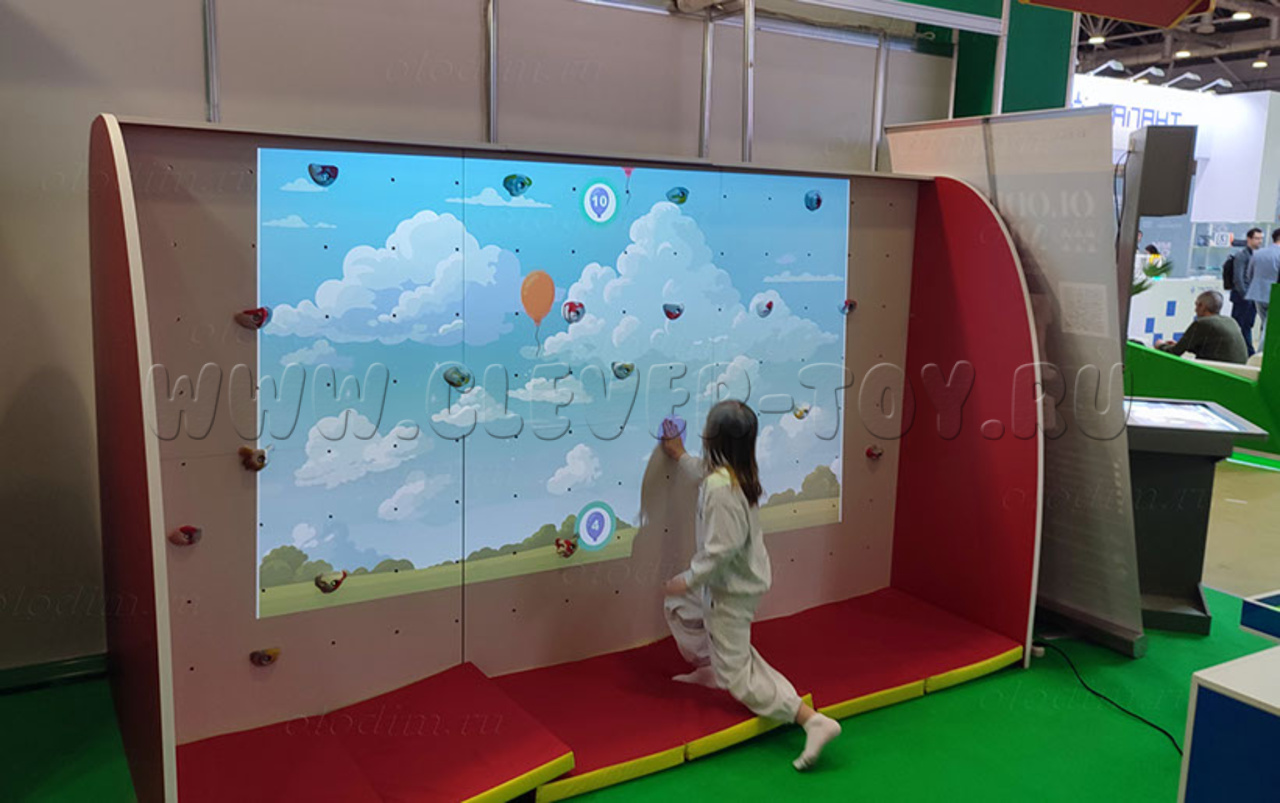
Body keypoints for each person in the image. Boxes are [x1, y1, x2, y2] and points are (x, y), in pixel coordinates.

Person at [660, 401, 841, 771]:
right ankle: (712, 665)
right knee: (680, 608)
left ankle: (810, 720)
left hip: (730, 590)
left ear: (713, 438)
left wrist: (688, 579)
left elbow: (721, 550)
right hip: (729, 582)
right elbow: (704, 472)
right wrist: (679, 455)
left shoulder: (722, 489)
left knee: (738, 675)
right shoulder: (729, 472)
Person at [1154, 290, 1248, 364]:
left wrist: (1160, 345)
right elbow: (1212, 348)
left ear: (1202, 306)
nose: (1195, 310)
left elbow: (1174, 353)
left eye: (1197, 305)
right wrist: (1179, 345)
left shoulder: (1202, 323)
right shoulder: (1230, 321)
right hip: (1236, 370)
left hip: (1217, 371)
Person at [1223, 228, 1263, 356]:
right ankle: (1247, 352)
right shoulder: (1242, 255)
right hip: (1243, 297)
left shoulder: (1257, 255)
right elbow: (1238, 278)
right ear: (1249, 239)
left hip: (1252, 297)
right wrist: (1246, 295)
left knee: (1247, 326)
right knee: (1239, 326)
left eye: (1261, 238)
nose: (1259, 241)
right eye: (1257, 238)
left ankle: (1246, 352)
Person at [1245, 228, 1280, 349]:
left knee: (1266, 323)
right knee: (1270, 326)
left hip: (1258, 294)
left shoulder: (1258, 253)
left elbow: (1249, 274)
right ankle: (1261, 352)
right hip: (1275, 294)